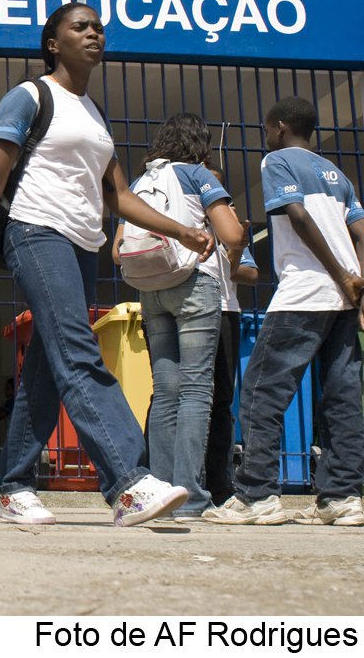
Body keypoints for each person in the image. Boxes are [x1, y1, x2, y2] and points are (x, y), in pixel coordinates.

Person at [0, 2, 214, 527]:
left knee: (50, 366)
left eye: (98, 28)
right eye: (80, 27)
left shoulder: (94, 113)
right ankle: (128, 482)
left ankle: (11, 486)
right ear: (54, 43)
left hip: (82, 243)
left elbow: (119, 195)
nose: (94, 33)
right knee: (77, 352)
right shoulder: (30, 96)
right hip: (36, 231)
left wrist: (179, 229)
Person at [205, 96, 364, 526]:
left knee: (262, 392)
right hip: (344, 300)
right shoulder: (337, 174)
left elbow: (296, 215)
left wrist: (337, 273)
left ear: (278, 128)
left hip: (304, 294)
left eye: (265, 130)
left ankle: (256, 495)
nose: (265, 138)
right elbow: (360, 232)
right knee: (342, 397)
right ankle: (342, 497)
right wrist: (355, 282)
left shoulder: (276, 161)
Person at [111, 115, 245, 519]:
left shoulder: (140, 183)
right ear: (200, 145)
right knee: (196, 390)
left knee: (166, 391)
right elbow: (233, 234)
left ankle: (163, 495)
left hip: (151, 291)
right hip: (194, 284)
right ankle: (191, 497)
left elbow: (117, 250)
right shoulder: (197, 174)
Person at [203, 173, 259, 508]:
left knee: (222, 401)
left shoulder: (229, 225)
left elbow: (249, 274)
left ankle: (218, 484)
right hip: (189, 308)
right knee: (172, 396)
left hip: (226, 310)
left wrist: (235, 248)